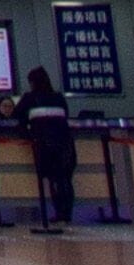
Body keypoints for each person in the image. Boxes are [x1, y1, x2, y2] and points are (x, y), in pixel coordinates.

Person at [17, 67, 77, 235]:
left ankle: (58, 213)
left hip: (44, 145)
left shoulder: (29, 98)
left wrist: (27, 134)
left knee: (53, 179)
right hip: (65, 144)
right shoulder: (58, 98)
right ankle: (66, 214)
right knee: (65, 179)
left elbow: (17, 116)